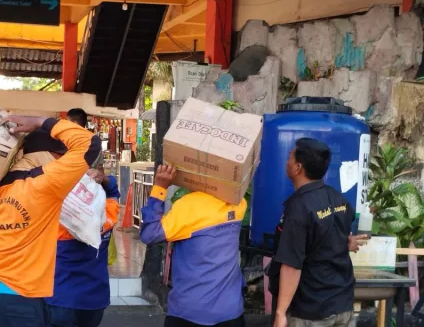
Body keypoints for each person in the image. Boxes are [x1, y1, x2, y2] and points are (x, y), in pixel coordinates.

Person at [0, 116, 101, 327]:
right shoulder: (47, 183)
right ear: (45, 155)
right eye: (59, 155)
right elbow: (90, 144)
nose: (62, 161)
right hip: (18, 297)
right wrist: (41, 122)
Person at [140, 165, 246, 327]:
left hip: (190, 313)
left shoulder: (188, 207)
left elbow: (149, 234)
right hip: (231, 312)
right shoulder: (239, 203)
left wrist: (160, 188)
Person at [268, 138, 359, 327]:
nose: (287, 161)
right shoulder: (338, 198)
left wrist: (280, 313)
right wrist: (348, 242)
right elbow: (340, 235)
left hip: (311, 311)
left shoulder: (299, 208)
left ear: (297, 168)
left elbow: (291, 266)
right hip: (342, 305)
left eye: (290, 156)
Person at [46, 168, 120, 327]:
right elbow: (114, 191)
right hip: (95, 300)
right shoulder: (109, 216)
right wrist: (105, 179)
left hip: (60, 298)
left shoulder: (58, 222)